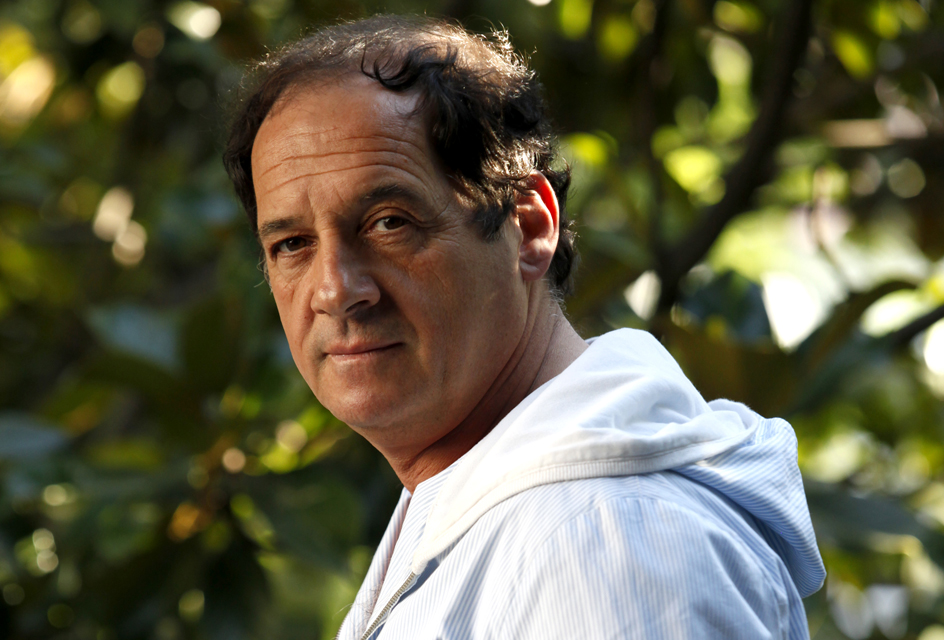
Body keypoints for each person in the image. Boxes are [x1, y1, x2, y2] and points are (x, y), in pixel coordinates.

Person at [223, 15, 825, 640]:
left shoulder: (601, 545)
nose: (335, 291)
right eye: (292, 244)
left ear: (530, 228)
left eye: (389, 223)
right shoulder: (501, 504)